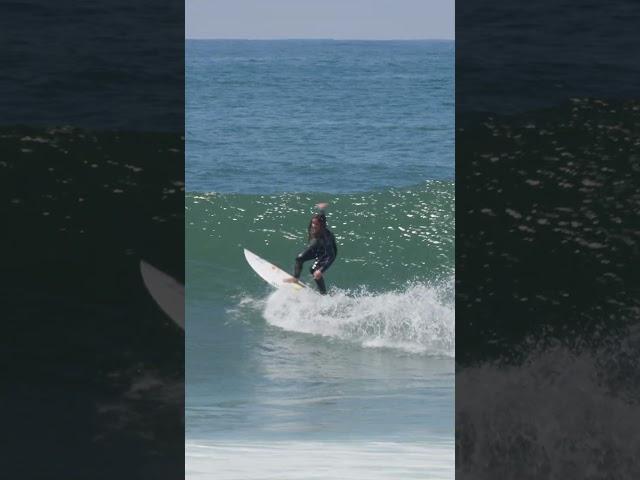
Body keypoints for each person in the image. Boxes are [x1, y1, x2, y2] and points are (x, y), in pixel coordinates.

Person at [285, 203, 337, 294]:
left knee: (314, 270)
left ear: (321, 225)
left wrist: (321, 270)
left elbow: (331, 256)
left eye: (316, 224)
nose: (313, 226)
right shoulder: (316, 226)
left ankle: (323, 294)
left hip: (326, 253)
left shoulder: (326, 238)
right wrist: (321, 209)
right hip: (317, 246)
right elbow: (322, 217)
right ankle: (295, 279)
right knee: (299, 258)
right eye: (313, 223)